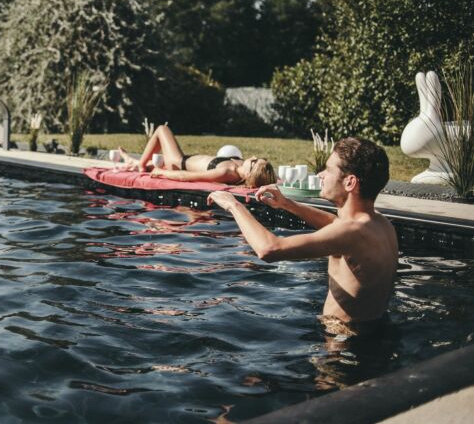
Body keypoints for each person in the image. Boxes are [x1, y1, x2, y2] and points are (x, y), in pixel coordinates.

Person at [207, 137, 398, 335]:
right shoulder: (379, 224)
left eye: (328, 169)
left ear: (350, 182)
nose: (320, 174)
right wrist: (287, 204)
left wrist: (234, 205)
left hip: (343, 343)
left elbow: (269, 249)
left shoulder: (353, 233)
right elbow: (337, 225)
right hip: (372, 330)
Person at [118, 124, 277, 188]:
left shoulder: (226, 173)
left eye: (255, 161)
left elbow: (188, 177)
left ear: (249, 173)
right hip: (181, 160)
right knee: (149, 162)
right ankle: (134, 161)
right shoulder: (240, 166)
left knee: (161, 130)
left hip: (178, 162)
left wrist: (162, 173)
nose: (254, 156)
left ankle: (139, 165)